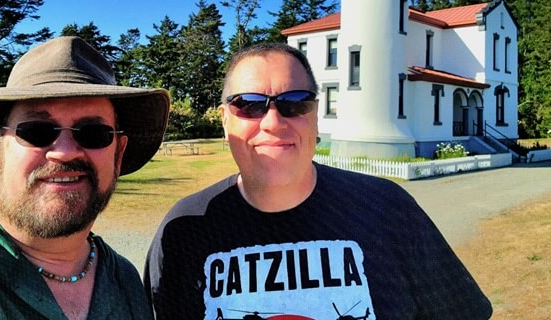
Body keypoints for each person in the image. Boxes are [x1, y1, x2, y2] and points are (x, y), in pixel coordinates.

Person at [145, 42, 492, 319]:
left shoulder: (388, 209)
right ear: (224, 121)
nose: (272, 122)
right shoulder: (183, 230)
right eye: (248, 104)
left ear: (315, 115)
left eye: (294, 103)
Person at [0, 36, 170, 320]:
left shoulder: (125, 281)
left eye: (95, 134)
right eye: (36, 130)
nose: (65, 152)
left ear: (118, 155)